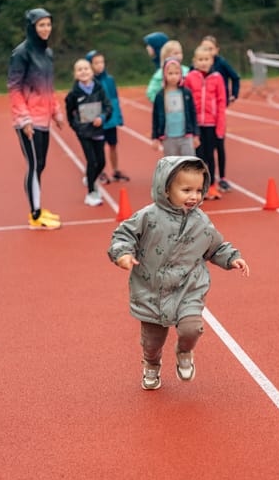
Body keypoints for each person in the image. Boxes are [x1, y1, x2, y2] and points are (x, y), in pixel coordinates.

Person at [107, 156, 249, 390]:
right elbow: (123, 235)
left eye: (198, 190)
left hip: (188, 288)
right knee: (152, 341)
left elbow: (214, 246)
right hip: (151, 288)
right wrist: (122, 254)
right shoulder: (148, 216)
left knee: (191, 327)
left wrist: (232, 258)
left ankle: (184, 351)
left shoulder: (201, 221)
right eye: (186, 190)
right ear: (166, 189)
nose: (194, 196)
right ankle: (151, 364)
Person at [7, 8, 63, 230]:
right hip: (28, 120)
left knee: (41, 164)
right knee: (33, 165)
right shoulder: (21, 53)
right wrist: (24, 119)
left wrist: (56, 111)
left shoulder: (46, 53)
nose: (46, 29)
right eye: (41, 25)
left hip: (44, 118)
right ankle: (35, 215)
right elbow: (14, 87)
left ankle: (38, 207)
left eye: (48, 24)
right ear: (32, 27)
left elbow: (47, 86)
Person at [65, 59, 112, 206]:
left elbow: (108, 107)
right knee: (91, 161)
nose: (83, 72)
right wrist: (76, 127)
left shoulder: (99, 89)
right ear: (75, 74)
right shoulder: (73, 94)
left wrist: (102, 117)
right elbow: (69, 113)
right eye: (80, 69)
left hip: (98, 130)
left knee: (102, 162)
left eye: (86, 68)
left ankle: (90, 177)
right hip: (84, 133)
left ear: (92, 72)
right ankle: (91, 192)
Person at [184, 46, 227, 200]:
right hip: (196, 126)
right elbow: (186, 102)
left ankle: (213, 186)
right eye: (200, 60)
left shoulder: (217, 78)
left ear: (212, 61)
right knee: (198, 157)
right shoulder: (190, 77)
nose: (203, 62)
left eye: (206, 59)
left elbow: (222, 103)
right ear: (195, 62)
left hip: (211, 124)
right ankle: (199, 188)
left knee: (210, 156)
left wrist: (220, 127)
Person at [200, 35, 240, 193]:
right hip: (204, 114)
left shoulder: (221, 63)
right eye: (204, 48)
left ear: (216, 50)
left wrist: (233, 94)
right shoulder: (198, 65)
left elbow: (235, 77)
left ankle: (222, 178)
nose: (207, 52)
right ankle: (207, 179)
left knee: (219, 144)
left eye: (210, 48)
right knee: (204, 148)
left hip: (218, 109)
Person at [86, 50, 129, 184]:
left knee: (113, 145)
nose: (100, 65)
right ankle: (100, 171)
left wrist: (119, 117)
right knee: (98, 147)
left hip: (110, 120)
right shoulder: (90, 82)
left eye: (102, 62)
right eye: (96, 63)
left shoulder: (110, 80)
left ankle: (115, 170)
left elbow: (114, 99)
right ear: (90, 65)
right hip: (97, 121)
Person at [152, 58, 200, 156]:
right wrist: (155, 137)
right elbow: (155, 117)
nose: (174, 76)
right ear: (165, 74)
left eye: (176, 73)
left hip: (186, 136)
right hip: (168, 138)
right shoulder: (160, 95)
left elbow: (193, 113)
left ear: (181, 74)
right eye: (170, 73)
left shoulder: (186, 93)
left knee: (189, 166)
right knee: (173, 167)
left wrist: (196, 134)